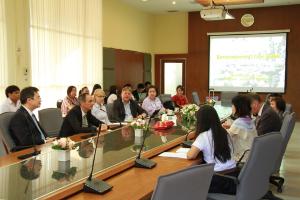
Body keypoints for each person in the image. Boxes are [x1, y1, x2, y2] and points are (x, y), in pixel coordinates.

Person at [187, 105, 237, 194]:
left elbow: (190, 155)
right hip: (233, 177)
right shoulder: (224, 131)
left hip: (218, 180)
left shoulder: (204, 136)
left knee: (188, 183)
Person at [223, 94, 257, 161]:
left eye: (232, 105)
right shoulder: (249, 120)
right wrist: (231, 126)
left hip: (241, 159)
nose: (232, 107)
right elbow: (241, 130)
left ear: (238, 107)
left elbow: (225, 137)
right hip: (251, 157)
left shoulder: (238, 123)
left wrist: (221, 128)